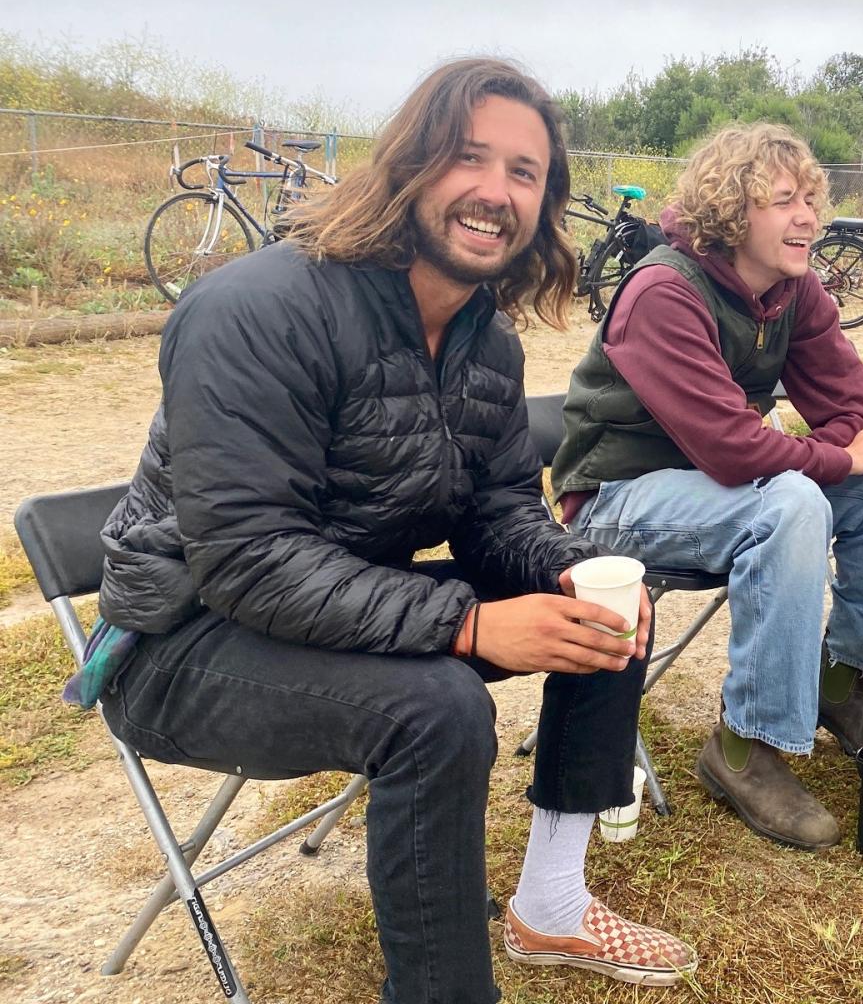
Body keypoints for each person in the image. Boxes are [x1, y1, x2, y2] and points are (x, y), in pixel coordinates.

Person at [95, 58, 697, 1000]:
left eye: (525, 172)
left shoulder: (485, 340)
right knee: (438, 709)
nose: (494, 192)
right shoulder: (260, 307)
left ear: (545, 204)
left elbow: (496, 508)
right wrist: (467, 626)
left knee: (604, 605)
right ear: (410, 165)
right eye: (468, 157)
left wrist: (576, 569)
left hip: (340, 615)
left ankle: (552, 903)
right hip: (181, 643)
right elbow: (245, 559)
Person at [552, 123, 863, 852]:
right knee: (792, 499)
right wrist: (837, 459)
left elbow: (853, 410)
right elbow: (731, 449)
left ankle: (839, 682)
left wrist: (853, 453)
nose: (809, 217)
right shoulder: (664, 291)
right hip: (617, 499)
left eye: (811, 199)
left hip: (716, 487)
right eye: (785, 200)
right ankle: (744, 746)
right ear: (731, 210)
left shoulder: (793, 290)